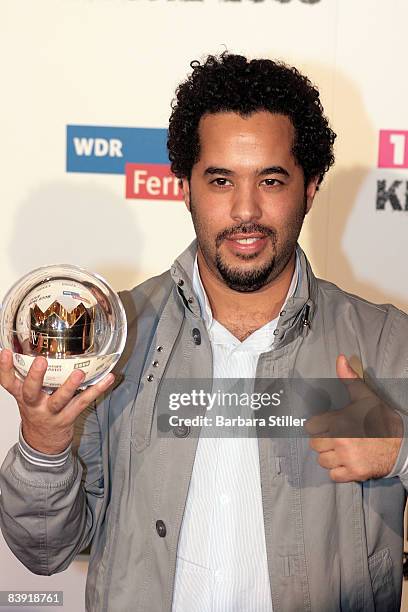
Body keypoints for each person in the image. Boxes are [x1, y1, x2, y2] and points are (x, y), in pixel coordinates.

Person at [0, 52, 408, 612]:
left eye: (271, 180)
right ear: (185, 188)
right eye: (220, 180)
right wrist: (43, 448)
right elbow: (44, 552)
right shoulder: (113, 338)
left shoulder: (384, 340)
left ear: (311, 189)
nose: (246, 210)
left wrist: (402, 451)